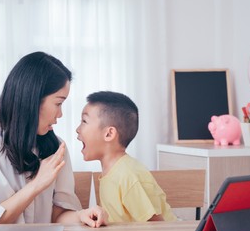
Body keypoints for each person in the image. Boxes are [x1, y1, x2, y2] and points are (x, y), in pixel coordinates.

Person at [0, 51, 107, 227]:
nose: (61, 114)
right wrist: (37, 185)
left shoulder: (56, 147)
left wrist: (82, 215)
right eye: (58, 103)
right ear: (33, 99)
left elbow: (59, 214)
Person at [76, 91, 177, 222]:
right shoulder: (112, 172)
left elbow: (156, 227)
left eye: (84, 121)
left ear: (109, 134)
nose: (77, 129)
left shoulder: (127, 175)